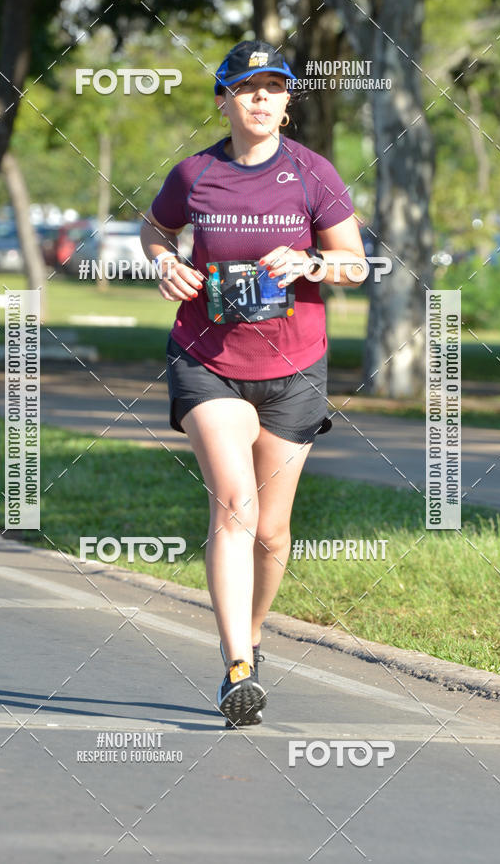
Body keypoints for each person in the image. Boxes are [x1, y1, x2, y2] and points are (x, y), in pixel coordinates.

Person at [141, 39, 367, 727]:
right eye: (248, 88)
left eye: (275, 87)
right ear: (225, 99)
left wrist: (309, 261)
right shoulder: (195, 173)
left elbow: (355, 264)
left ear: (288, 102)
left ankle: (255, 633)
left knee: (272, 534)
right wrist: (163, 262)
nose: (262, 98)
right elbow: (154, 228)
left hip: (294, 368)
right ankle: (236, 667)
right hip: (207, 360)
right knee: (234, 507)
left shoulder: (312, 173)